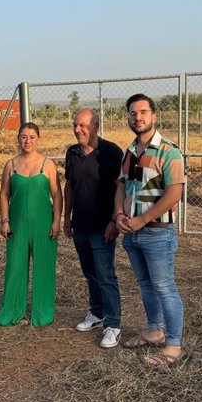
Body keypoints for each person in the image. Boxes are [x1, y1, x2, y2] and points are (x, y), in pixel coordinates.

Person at [114, 93, 186, 367]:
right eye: (133, 113)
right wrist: (120, 214)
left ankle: (173, 344)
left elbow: (173, 194)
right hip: (132, 232)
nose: (138, 117)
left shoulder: (169, 151)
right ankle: (155, 331)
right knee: (146, 285)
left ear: (153, 116)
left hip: (156, 232)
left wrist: (141, 220)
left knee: (165, 286)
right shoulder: (130, 151)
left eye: (143, 112)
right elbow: (121, 186)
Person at [64, 108, 124, 348]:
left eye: (83, 125)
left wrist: (114, 220)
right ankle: (97, 313)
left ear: (96, 126)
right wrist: (66, 218)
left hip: (103, 227)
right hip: (80, 225)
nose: (78, 129)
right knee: (89, 272)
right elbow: (69, 186)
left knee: (105, 275)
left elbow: (121, 188)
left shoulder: (111, 152)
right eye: (75, 125)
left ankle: (114, 324)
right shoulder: (72, 153)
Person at [0, 122, 62, 326]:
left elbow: (57, 195)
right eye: (24, 137)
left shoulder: (48, 164)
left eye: (32, 137)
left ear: (38, 139)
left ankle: (42, 313)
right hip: (17, 224)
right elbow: (4, 194)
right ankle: (12, 310)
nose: (28, 141)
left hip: (44, 223)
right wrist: (4, 220)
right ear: (18, 138)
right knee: (15, 265)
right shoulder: (11, 164)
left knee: (44, 266)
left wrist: (56, 221)